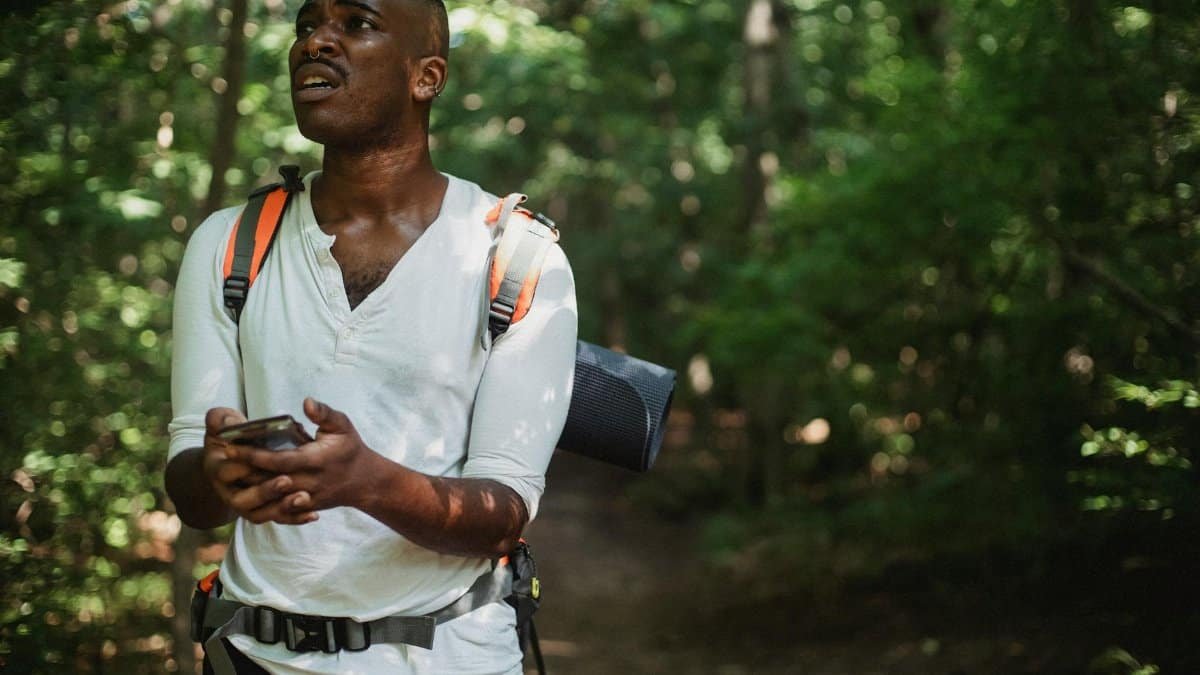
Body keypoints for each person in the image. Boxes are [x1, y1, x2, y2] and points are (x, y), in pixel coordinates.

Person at [164, 0, 577, 672]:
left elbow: (504, 511)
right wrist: (217, 473)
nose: (316, 42)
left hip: (451, 658)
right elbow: (191, 491)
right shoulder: (231, 244)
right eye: (306, 26)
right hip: (251, 656)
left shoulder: (516, 259)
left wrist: (367, 482)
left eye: (357, 23)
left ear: (426, 77)